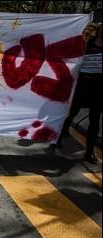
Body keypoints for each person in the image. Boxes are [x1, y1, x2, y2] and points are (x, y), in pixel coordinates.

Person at [58, 23, 102, 164]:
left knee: (95, 121)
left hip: (99, 88)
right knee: (72, 112)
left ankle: (89, 153)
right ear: (99, 31)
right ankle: (58, 136)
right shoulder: (86, 43)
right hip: (83, 84)